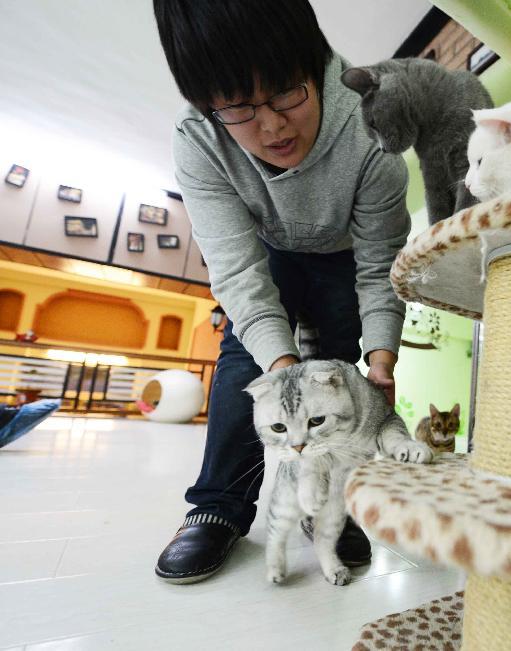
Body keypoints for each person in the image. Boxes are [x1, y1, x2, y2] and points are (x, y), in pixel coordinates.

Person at [152, 0, 410, 583]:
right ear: (208, 105)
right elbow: (239, 273)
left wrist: (382, 354)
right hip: (265, 252)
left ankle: (331, 510)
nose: (271, 127)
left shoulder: (373, 128)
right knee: (248, 357)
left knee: (337, 365)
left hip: (344, 255)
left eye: (288, 94)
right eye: (239, 108)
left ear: (315, 67)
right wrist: (282, 376)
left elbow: (379, 265)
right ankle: (217, 507)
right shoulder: (198, 139)